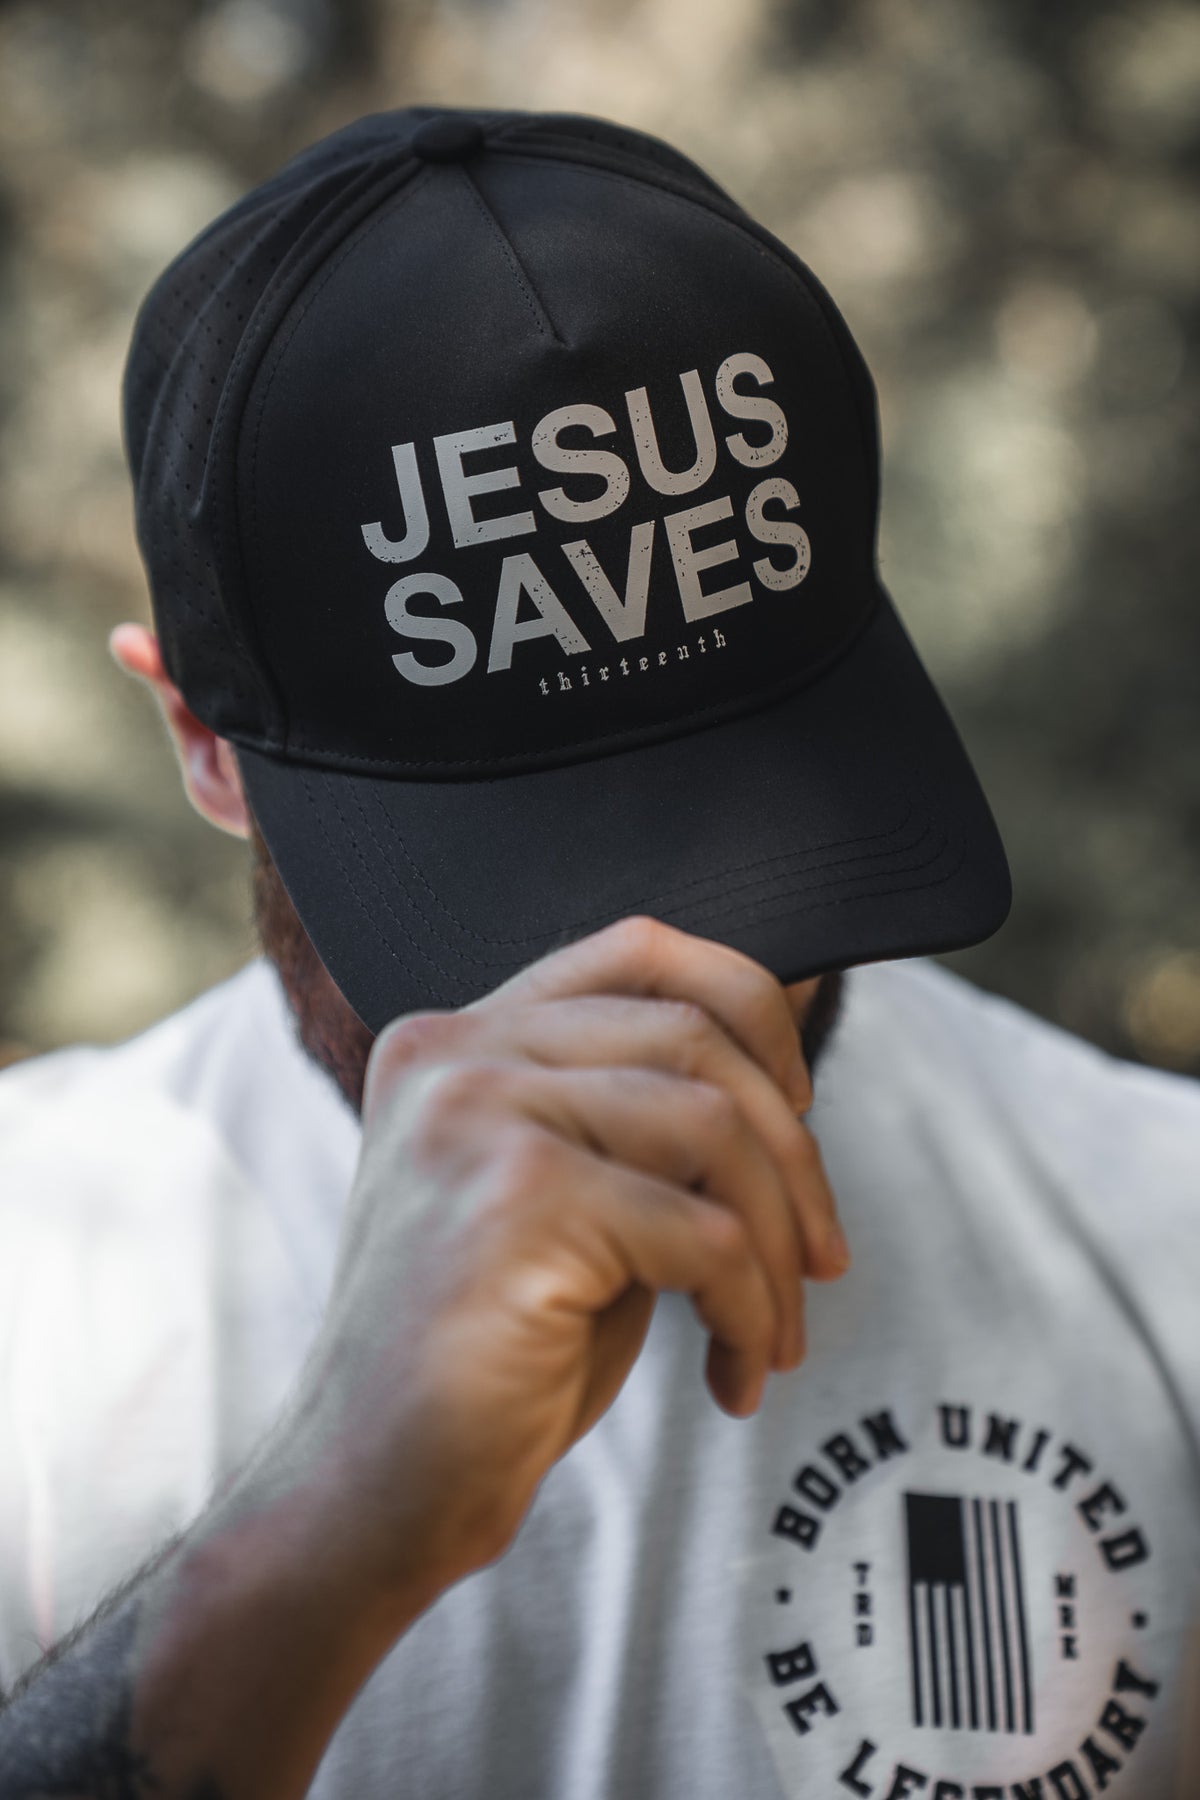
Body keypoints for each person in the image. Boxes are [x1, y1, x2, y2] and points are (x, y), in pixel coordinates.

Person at [0, 104, 1197, 1800]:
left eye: (736, 838)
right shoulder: (32, 1302)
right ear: (200, 741)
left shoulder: (1160, 1237)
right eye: (502, 891)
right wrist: (320, 1529)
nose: (651, 984)